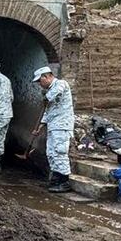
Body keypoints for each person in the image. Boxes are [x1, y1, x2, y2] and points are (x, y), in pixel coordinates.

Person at [31, 65, 75, 193]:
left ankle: (64, 181)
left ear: (47, 76)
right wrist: (39, 128)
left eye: (40, 81)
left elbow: (54, 94)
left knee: (59, 152)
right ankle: (56, 178)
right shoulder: (50, 92)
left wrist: (45, 97)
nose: (40, 84)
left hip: (62, 126)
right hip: (53, 125)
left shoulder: (61, 84)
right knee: (51, 153)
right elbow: (47, 113)